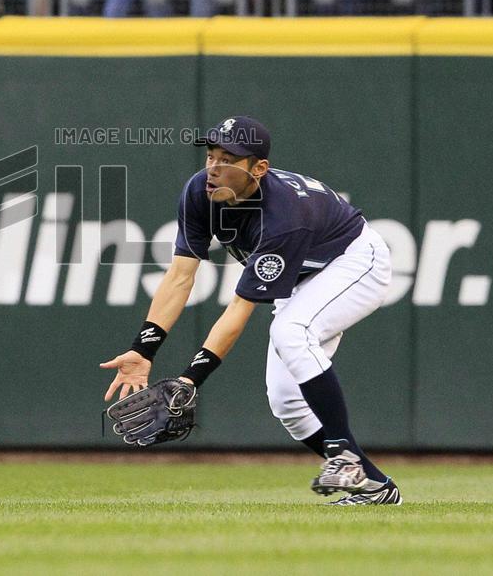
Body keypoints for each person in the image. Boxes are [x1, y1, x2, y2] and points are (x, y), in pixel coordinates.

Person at [101, 116, 400, 506]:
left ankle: (344, 456)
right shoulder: (199, 191)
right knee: (287, 403)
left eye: (228, 159)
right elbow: (179, 277)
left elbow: (239, 309)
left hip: (355, 261)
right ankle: (377, 487)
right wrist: (144, 351)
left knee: (291, 331)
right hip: (304, 278)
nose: (213, 167)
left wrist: (192, 379)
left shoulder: (282, 217)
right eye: (211, 155)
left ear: (258, 169)